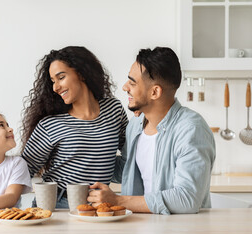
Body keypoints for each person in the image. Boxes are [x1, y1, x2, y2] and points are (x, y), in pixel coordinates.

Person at [87, 47, 215, 215]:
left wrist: (117, 200)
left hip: (183, 231)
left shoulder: (191, 129)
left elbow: (187, 198)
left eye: (132, 83)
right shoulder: (136, 124)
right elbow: (126, 170)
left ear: (155, 92)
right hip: (144, 226)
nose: (125, 87)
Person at [21, 46, 128, 208]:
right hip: (58, 205)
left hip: (99, 206)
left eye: (61, 78)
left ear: (81, 73)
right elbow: (20, 171)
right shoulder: (50, 125)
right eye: (53, 81)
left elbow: (130, 158)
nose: (55, 87)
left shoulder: (113, 109)